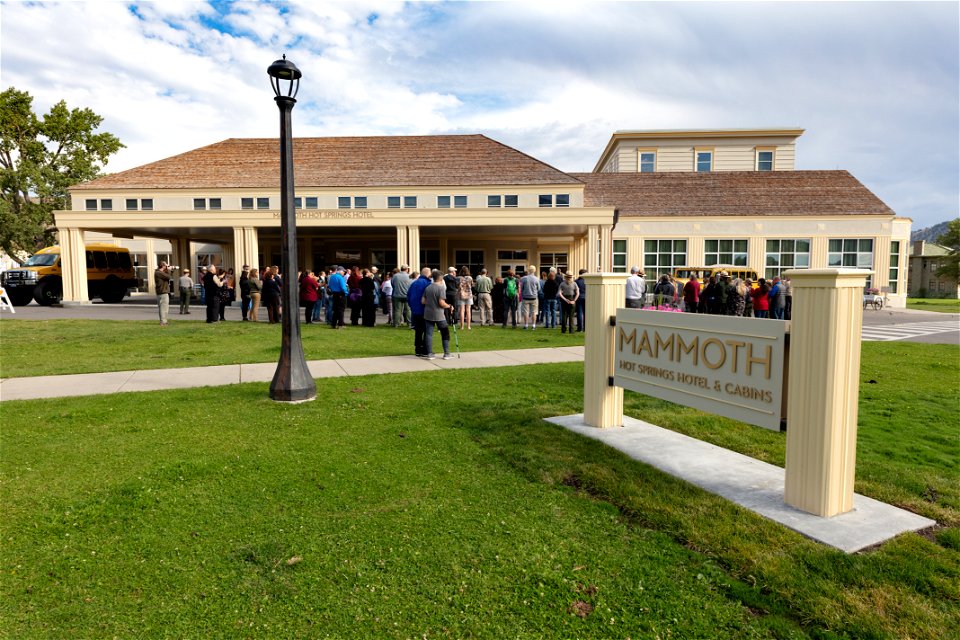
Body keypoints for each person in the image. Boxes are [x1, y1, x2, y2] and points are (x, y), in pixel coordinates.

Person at [422, 269, 454, 360]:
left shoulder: (428, 287)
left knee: (428, 334)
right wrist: (449, 306)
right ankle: (447, 353)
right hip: (439, 315)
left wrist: (431, 302)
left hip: (428, 313)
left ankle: (430, 354)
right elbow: (441, 303)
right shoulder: (441, 288)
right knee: (445, 333)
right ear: (441, 279)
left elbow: (423, 301)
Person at [407, 267, 432, 356]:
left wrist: (412, 307)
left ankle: (418, 349)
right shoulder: (428, 283)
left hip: (415, 311)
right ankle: (425, 349)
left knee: (418, 331)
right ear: (428, 274)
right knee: (427, 331)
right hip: (425, 310)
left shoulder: (414, 283)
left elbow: (408, 296)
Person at [520, 265, 540, 329]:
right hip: (534, 297)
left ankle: (526, 325)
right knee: (534, 312)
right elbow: (539, 289)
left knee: (526, 312)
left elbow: (521, 288)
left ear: (528, 270)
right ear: (534, 271)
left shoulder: (523, 278)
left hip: (525, 297)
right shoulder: (537, 279)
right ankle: (533, 325)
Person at [456, 266, 474, 330]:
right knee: (468, 311)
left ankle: (462, 326)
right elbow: (472, 285)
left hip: (461, 295)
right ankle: (469, 326)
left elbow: (456, 286)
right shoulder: (470, 278)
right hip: (469, 295)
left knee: (462, 311)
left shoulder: (458, 278)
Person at [154, 261, 172, 326]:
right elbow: (168, 277)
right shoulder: (158, 272)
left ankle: (164, 321)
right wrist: (169, 270)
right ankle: (163, 322)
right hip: (162, 292)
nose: (167, 266)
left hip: (162, 291)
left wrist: (169, 270)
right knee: (163, 308)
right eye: (166, 265)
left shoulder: (160, 272)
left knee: (165, 308)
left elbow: (167, 276)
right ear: (163, 266)